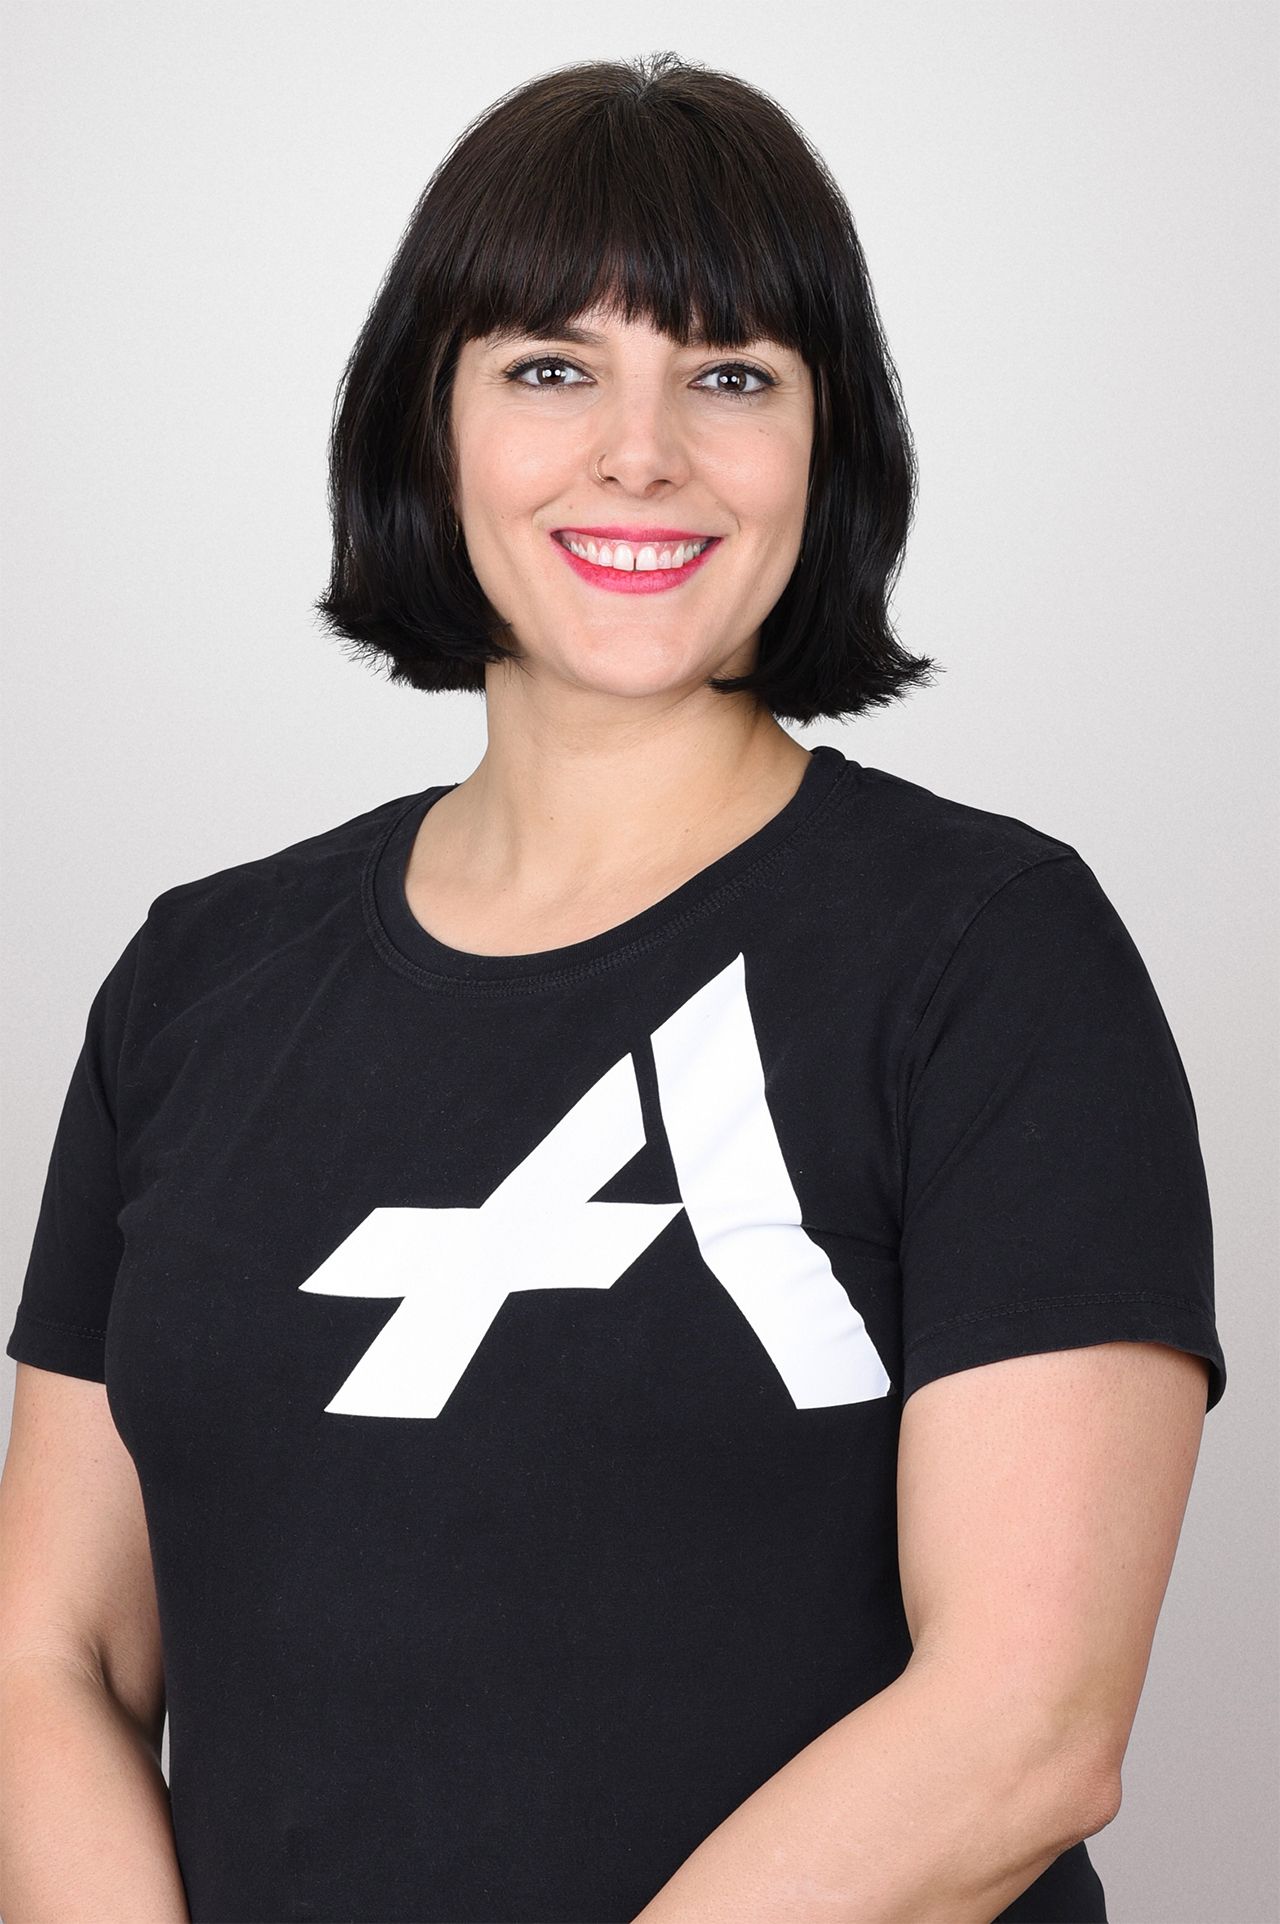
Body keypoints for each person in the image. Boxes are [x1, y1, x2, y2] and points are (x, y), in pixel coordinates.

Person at [0, 50, 1226, 1924]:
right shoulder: (196, 981)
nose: (640, 453)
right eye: (550, 369)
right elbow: (52, 1656)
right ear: (429, 428)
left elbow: (1026, 1727)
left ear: (829, 447)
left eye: (731, 376)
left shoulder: (993, 956)